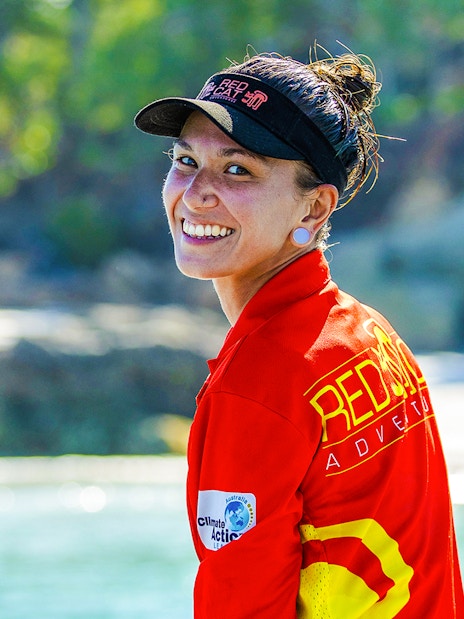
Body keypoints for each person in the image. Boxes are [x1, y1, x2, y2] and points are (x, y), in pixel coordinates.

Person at [135, 47, 464, 618]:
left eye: (237, 169)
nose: (195, 193)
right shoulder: (371, 335)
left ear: (313, 209)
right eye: (185, 160)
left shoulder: (257, 387)